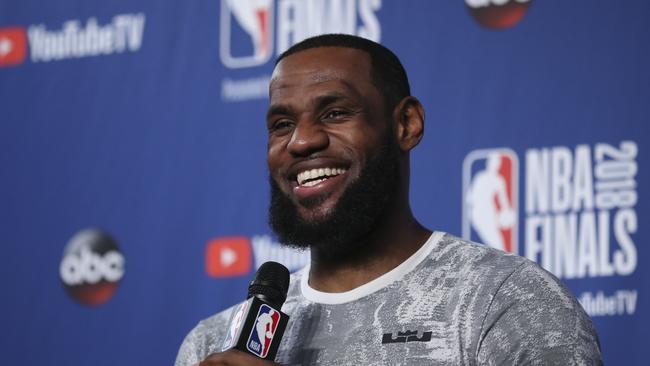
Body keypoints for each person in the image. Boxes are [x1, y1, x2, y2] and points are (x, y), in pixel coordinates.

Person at [175, 34, 602, 365]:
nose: (301, 141)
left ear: (406, 124)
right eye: (282, 123)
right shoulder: (214, 344)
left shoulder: (504, 301)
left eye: (335, 113)